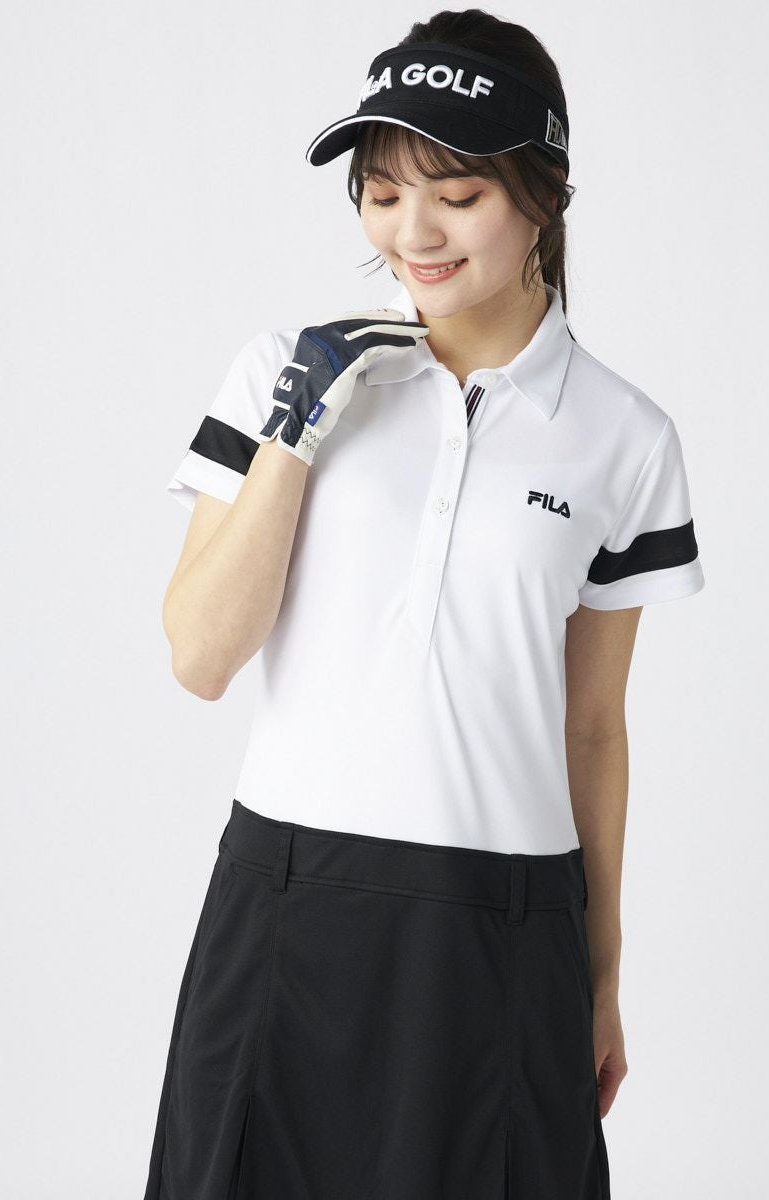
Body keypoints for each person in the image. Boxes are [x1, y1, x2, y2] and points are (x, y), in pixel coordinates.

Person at [143, 11, 705, 1200]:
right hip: (284, 900)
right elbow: (200, 655)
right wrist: (298, 428)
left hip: (501, 924)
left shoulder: (625, 438)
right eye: (383, 194)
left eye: (456, 194)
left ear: (543, 196)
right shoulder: (283, 371)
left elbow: (591, 729)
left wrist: (602, 975)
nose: (413, 232)